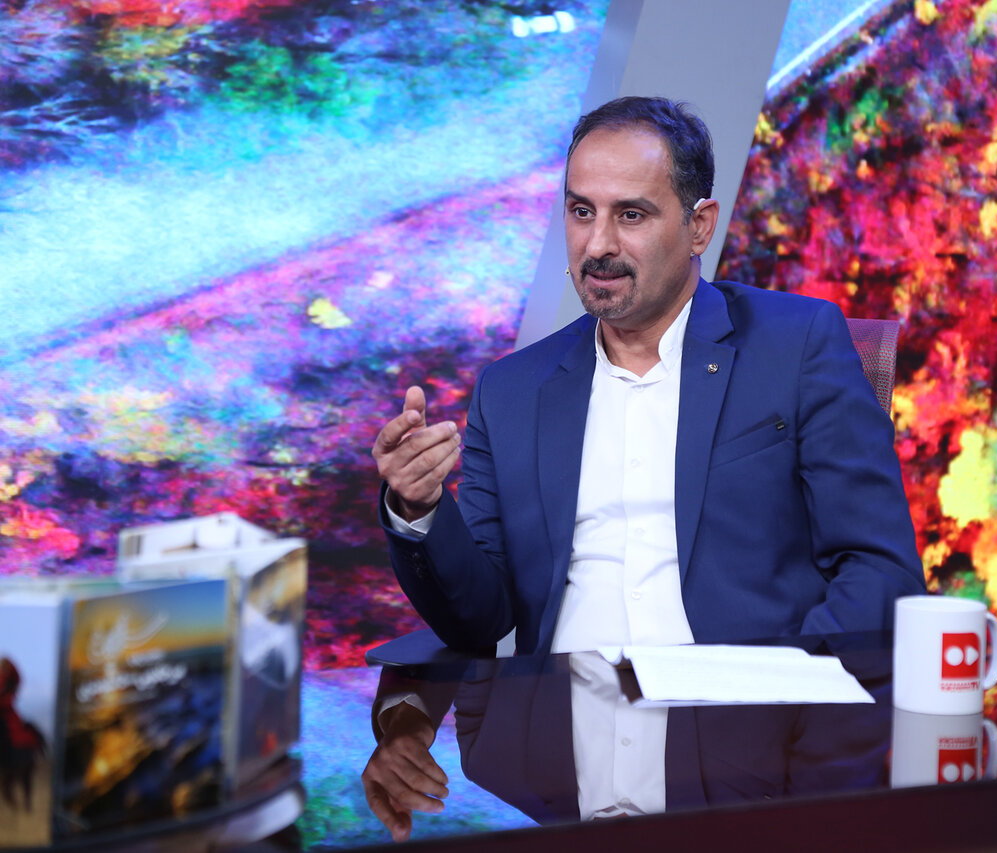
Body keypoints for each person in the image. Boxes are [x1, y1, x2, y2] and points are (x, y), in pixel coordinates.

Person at [363, 97, 925, 836]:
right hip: (544, 772)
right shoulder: (512, 390)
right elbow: (482, 612)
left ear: (700, 225)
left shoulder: (796, 345)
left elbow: (878, 568)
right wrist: (419, 510)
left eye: (630, 215)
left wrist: (788, 713)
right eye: (580, 211)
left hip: (746, 757)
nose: (597, 244)